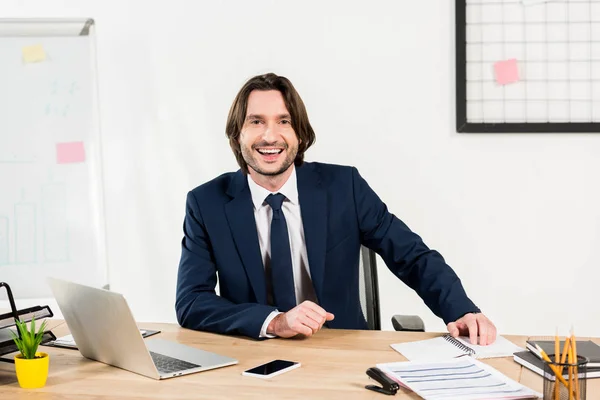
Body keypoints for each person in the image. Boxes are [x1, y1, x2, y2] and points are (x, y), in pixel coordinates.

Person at [175, 73, 497, 345]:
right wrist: (274, 322)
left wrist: (460, 310)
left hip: (342, 347)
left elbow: (410, 255)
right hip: (255, 352)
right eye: (256, 121)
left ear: (299, 134)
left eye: (283, 121)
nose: (270, 135)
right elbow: (191, 301)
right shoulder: (207, 203)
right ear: (238, 133)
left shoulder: (345, 187)